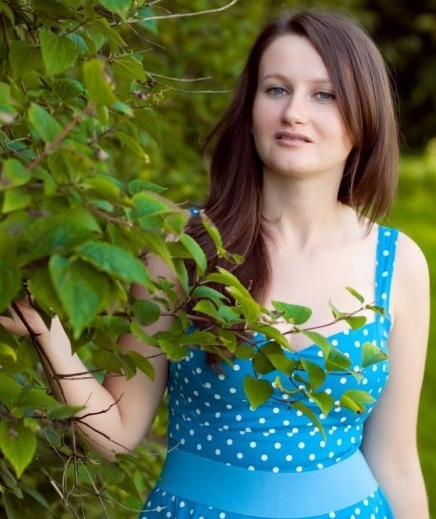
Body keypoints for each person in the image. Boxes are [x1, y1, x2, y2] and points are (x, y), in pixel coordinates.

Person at [0, 9, 430, 519]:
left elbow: (396, 461)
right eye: (276, 89)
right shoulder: (184, 247)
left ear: (365, 114)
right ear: (250, 108)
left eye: (325, 94)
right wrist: (46, 332)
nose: (294, 113)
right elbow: (117, 432)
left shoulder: (397, 262)